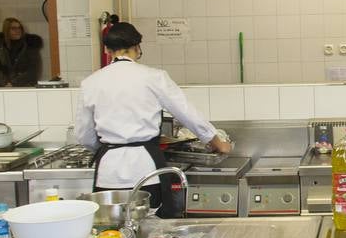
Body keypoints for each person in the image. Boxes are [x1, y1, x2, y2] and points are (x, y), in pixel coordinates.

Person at [75, 22, 232, 217]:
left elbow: (84, 135)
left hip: (108, 174)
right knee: (151, 230)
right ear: (137, 47)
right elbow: (186, 112)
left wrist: (110, 150)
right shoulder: (153, 77)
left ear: (107, 50)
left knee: (110, 233)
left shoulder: (91, 82)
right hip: (146, 171)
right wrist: (217, 141)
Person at [0, 17, 43, 87]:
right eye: (13, 28)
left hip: (25, 86)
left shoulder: (30, 45)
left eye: (19, 28)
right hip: (4, 86)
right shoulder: (0, 46)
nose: (18, 31)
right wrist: (4, 82)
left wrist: (13, 83)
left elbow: (33, 70)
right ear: (6, 30)